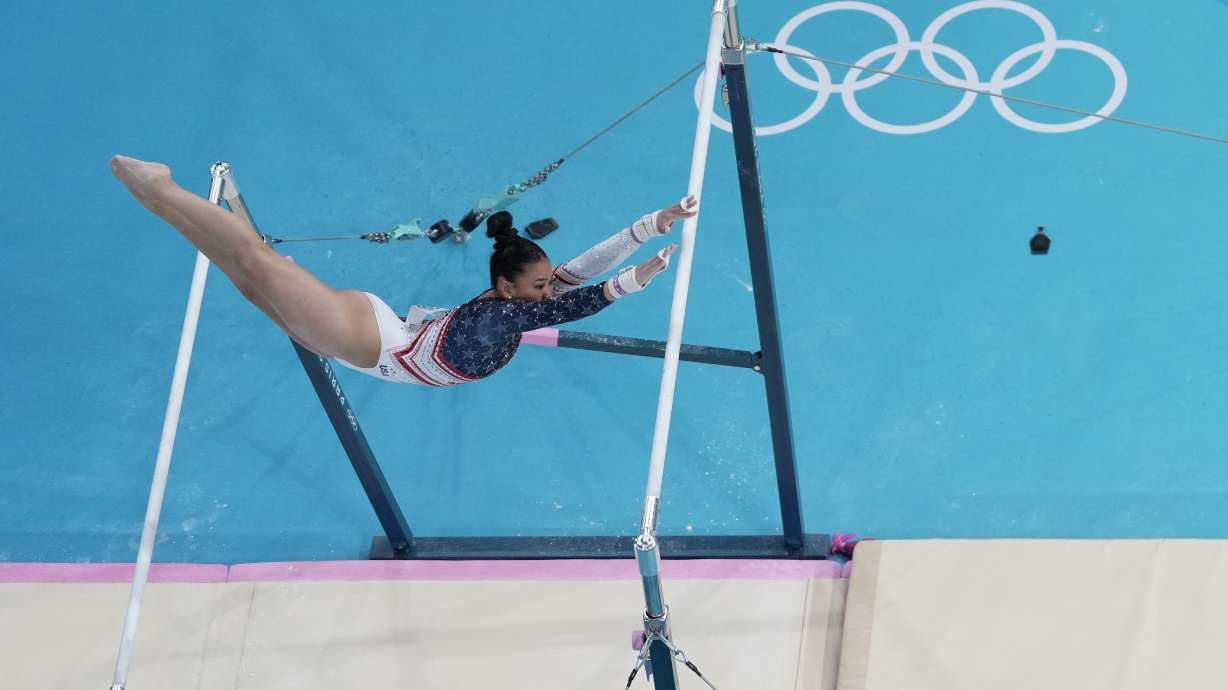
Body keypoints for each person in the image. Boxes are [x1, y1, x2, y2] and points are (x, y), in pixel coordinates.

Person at [109, 155, 696, 386]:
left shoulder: (522, 301)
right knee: (253, 265)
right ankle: (159, 192)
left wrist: (650, 224)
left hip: (396, 340)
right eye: (538, 285)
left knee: (247, 276)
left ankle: (166, 204)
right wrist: (642, 276)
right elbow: (583, 299)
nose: (550, 290)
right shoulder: (503, 321)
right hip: (378, 345)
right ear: (504, 289)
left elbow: (576, 275)